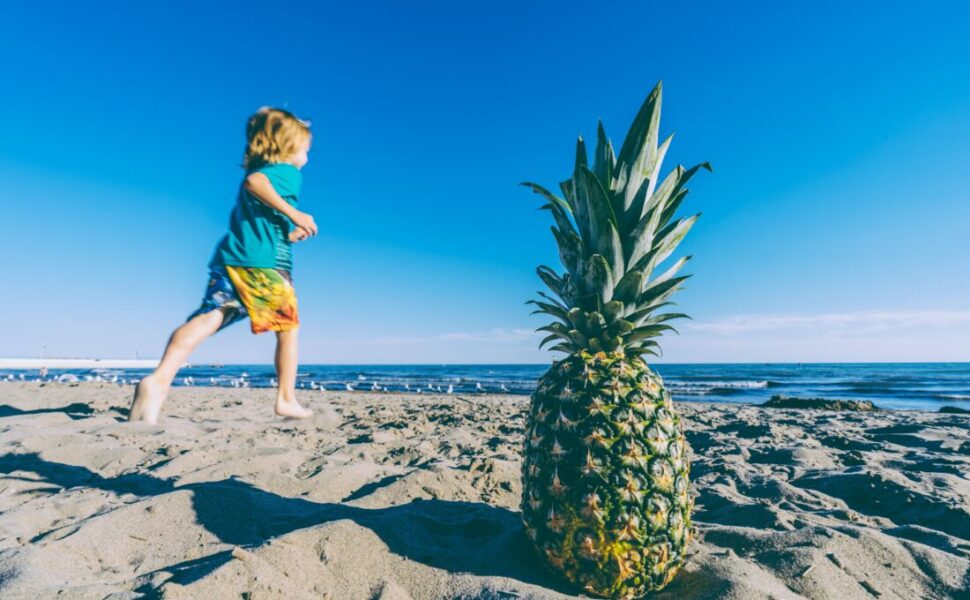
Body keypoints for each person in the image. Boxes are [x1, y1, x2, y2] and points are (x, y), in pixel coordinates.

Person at [129, 107, 318, 425]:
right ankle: (286, 398)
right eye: (305, 150)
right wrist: (297, 214)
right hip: (264, 265)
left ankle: (159, 378)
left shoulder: (265, 170)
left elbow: (261, 220)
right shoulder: (285, 171)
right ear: (288, 147)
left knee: (210, 316)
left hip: (235, 257)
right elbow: (256, 183)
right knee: (288, 328)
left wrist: (290, 234)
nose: (307, 157)